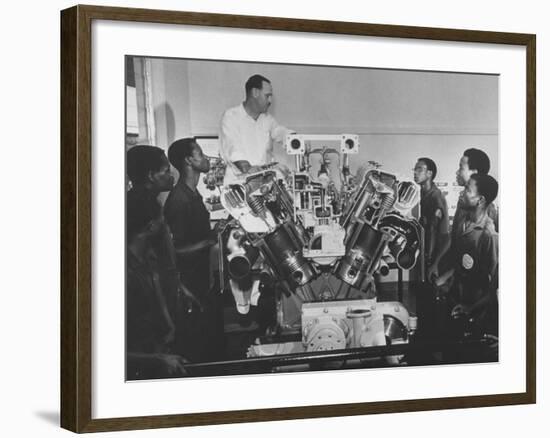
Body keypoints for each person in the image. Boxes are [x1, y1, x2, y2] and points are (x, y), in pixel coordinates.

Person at [164, 138, 222, 361]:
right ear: (189, 160)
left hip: (201, 280)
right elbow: (174, 250)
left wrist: (216, 231)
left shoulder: (193, 194)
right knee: (197, 348)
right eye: (200, 153)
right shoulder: (180, 200)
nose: (205, 158)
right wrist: (210, 240)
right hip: (190, 287)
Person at [126, 190, 188, 379]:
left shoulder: (146, 259)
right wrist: (159, 359)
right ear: (151, 227)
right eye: (161, 218)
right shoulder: (126, 275)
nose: (164, 223)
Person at [429, 148, 498, 281]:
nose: (457, 172)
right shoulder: (464, 203)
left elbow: (485, 264)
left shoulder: (487, 213)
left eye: (461, 167)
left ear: (474, 172)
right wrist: (437, 262)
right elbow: (455, 236)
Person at [448, 173, 499, 345]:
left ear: (480, 200)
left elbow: (495, 287)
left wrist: (471, 309)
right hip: (457, 301)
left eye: (467, 190)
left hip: (478, 314)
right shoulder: (462, 221)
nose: (461, 192)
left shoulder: (488, 235)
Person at [219, 74, 292, 182]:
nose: (270, 101)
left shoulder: (268, 120)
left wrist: (295, 138)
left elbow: (279, 132)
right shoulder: (231, 116)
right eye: (267, 96)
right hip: (238, 188)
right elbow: (233, 149)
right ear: (255, 93)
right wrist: (250, 169)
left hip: (264, 186)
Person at [413, 157, 450, 279]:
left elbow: (434, 231)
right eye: (415, 169)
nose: (415, 172)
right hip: (423, 250)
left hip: (434, 254)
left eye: (419, 169)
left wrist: (433, 262)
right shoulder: (420, 194)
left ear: (429, 173)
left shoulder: (436, 197)